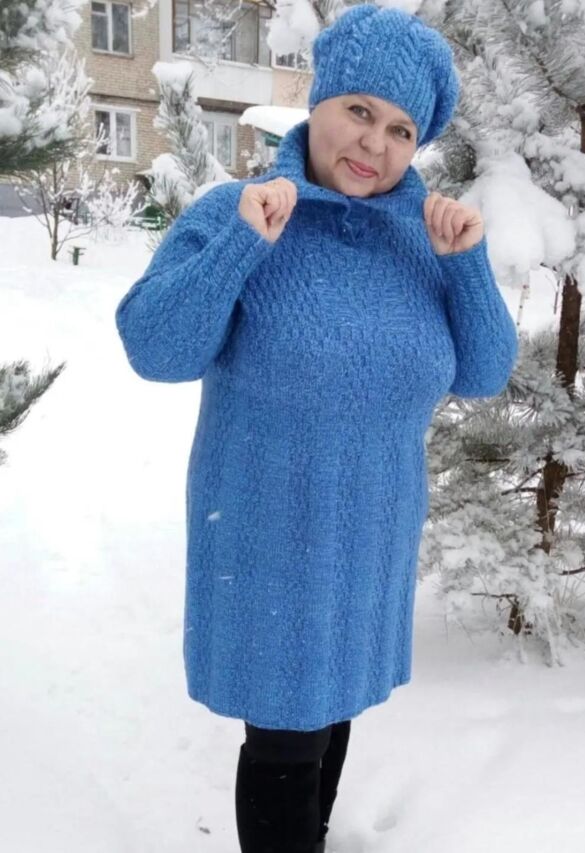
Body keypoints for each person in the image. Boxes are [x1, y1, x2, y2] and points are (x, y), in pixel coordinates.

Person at [114, 4, 519, 852]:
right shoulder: (239, 209)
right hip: (267, 537)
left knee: (332, 715)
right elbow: (155, 347)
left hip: (371, 534)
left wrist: (467, 265)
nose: (375, 143)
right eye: (360, 111)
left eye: (401, 129)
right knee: (284, 745)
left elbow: (483, 373)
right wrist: (241, 245)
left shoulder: (423, 239)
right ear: (319, 101)